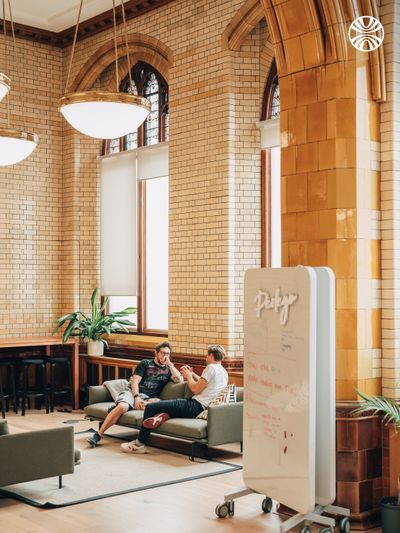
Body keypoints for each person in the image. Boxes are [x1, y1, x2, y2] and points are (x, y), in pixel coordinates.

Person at [121, 344, 228, 454]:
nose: (206, 358)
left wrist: (188, 376)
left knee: (150, 407)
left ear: (210, 355)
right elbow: (205, 383)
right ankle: (162, 416)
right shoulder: (223, 371)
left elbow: (196, 389)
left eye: (206, 355)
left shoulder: (210, 368)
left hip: (195, 406)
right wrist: (192, 374)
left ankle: (139, 444)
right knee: (169, 406)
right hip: (200, 407)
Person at [87, 342, 183, 447]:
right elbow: (135, 381)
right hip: (133, 392)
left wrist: (170, 364)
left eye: (168, 354)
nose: (165, 356)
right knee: (122, 407)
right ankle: (98, 435)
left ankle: (120, 408)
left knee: (157, 403)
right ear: (156, 353)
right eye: (163, 353)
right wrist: (136, 397)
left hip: (149, 398)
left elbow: (180, 380)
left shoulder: (169, 369)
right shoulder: (145, 363)